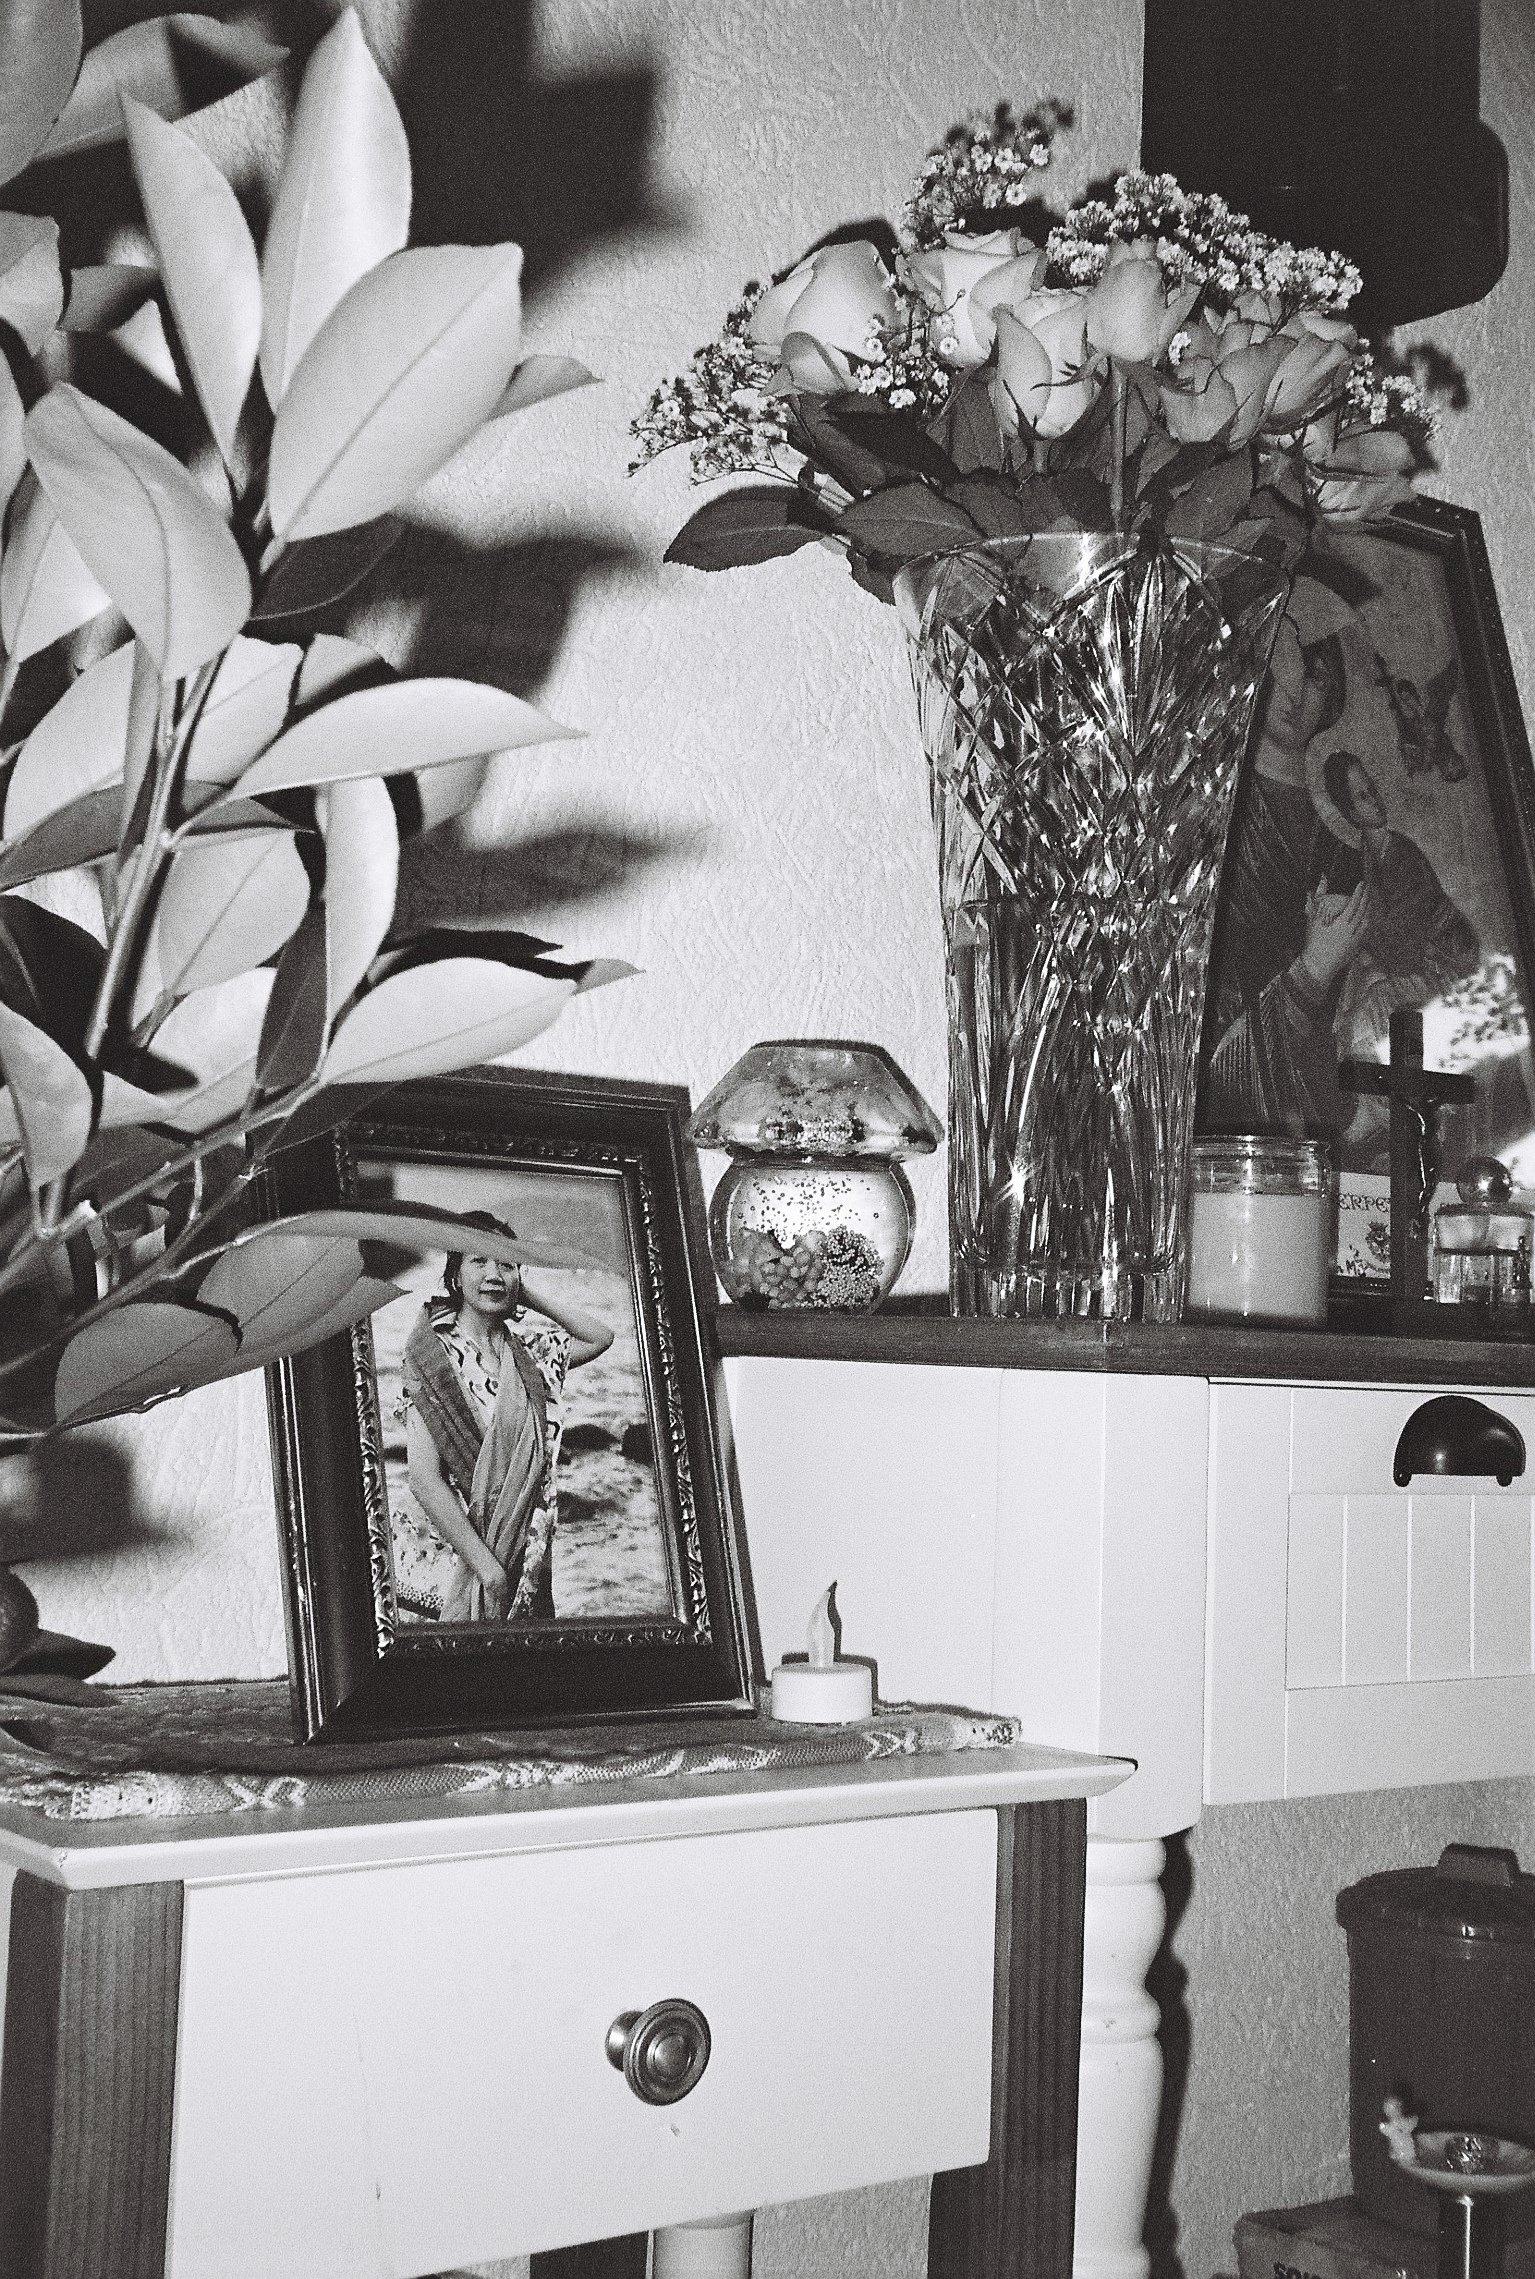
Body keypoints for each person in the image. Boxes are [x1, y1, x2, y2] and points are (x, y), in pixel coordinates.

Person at [400, 1215, 613, 1623]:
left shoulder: (533, 1353)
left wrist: (523, 1293)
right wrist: (488, 1570)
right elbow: (424, 1478)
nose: (493, 1274)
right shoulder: (432, 1358)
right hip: (463, 1556)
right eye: (479, 1261)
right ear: (456, 1276)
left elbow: (600, 1337)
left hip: (528, 1553)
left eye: (506, 1264)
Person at [1317, 747, 1480, 1073]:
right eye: (1363, 796)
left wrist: (1349, 911)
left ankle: (1397, 1085)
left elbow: (1408, 936)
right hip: (1409, 963)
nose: (1375, 800)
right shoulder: (1366, 855)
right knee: (1360, 991)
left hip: (1443, 964)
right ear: (1349, 812)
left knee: (1373, 1000)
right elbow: (1383, 928)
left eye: (1372, 790)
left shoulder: (1401, 854)